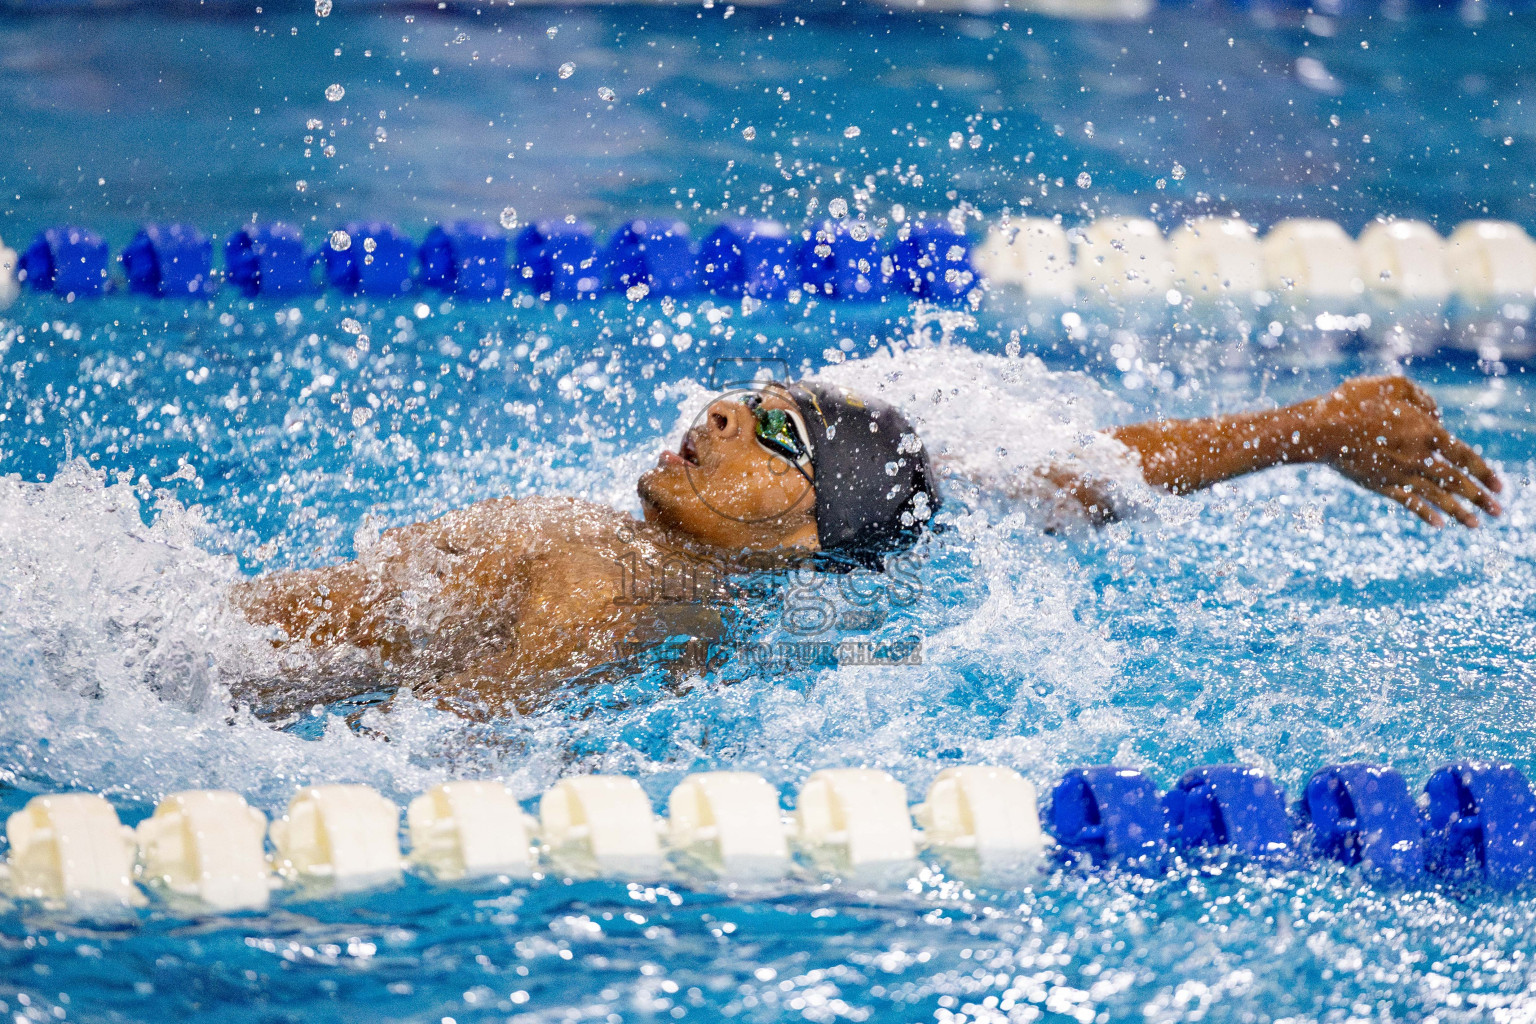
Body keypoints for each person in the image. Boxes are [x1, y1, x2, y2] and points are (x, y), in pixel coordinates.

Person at [231, 372, 1502, 719]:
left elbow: (427, 747)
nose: (721, 410)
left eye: (772, 430)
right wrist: (1299, 429)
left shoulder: (604, 580)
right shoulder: (670, 576)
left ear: (800, 529)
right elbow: (1026, 475)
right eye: (744, 396)